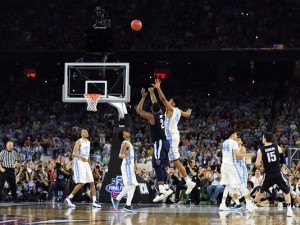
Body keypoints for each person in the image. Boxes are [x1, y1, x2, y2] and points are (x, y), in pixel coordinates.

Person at [152, 79, 196, 195]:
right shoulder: (179, 110)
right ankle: (166, 184)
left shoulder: (171, 109)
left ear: (173, 103)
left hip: (171, 137)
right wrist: (189, 111)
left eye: (170, 100)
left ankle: (185, 182)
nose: (168, 101)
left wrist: (158, 88)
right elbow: (187, 114)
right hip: (173, 136)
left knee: (175, 161)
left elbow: (162, 99)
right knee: (167, 160)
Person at [136, 87, 172, 202]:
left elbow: (139, 110)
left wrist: (142, 98)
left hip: (160, 142)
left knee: (156, 165)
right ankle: (166, 187)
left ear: (152, 109)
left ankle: (161, 189)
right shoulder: (160, 112)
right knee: (161, 166)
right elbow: (155, 102)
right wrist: (151, 92)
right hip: (165, 142)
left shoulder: (152, 116)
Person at [253, 131, 294, 217]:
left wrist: (262, 165)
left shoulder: (261, 150)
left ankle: (252, 206)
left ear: (265, 139)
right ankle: (289, 210)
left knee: (261, 191)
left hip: (268, 175)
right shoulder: (277, 147)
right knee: (286, 191)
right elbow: (283, 159)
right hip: (278, 173)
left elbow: (257, 164)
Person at [218, 130, 256, 212]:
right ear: (232, 135)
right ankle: (247, 204)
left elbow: (246, 161)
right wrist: (248, 155)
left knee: (231, 185)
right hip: (232, 166)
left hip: (229, 166)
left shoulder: (226, 142)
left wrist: (247, 160)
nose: (237, 136)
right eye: (236, 135)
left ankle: (223, 204)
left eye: (238, 137)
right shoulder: (233, 143)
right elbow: (237, 156)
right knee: (239, 185)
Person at [65, 129, 101, 208]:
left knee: (92, 182)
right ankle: (69, 198)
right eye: (84, 132)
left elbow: (87, 155)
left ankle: (94, 201)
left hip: (86, 163)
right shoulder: (79, 141)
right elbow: (74, 153)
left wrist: (89, 163)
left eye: (87, 131)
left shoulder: (88, 142)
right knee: (82, 182)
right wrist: (80, 157)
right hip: (79, 162)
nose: (86, 132)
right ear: (81, 134)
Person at [111, 130, 139, 212]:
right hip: (127, 165)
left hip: (130, 165)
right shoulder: (125, 143)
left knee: (133, 185)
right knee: (131, 184)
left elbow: (132, 156)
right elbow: (120, 154)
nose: (127, 132)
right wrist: (123, 155)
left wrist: (135, 165)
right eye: (125, 132)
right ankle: (116, 199)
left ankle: (128, 205)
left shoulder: (129, 143)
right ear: (124, 136)